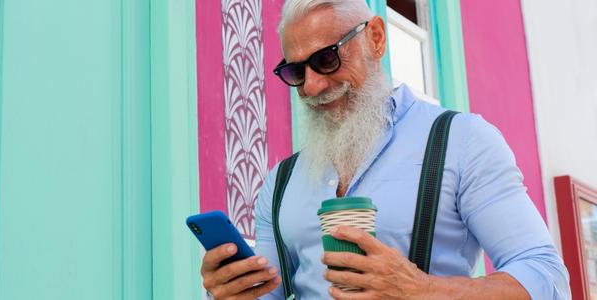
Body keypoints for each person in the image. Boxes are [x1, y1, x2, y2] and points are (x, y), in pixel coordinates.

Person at [200, 0, 571, 299]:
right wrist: (233, 290)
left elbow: (545, 277)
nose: (311, 87)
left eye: (326, 59)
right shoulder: (279, 183)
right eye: (296, 73)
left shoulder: (463, 141)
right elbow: (268, 294)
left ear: (375, 37)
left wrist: (422, 290)